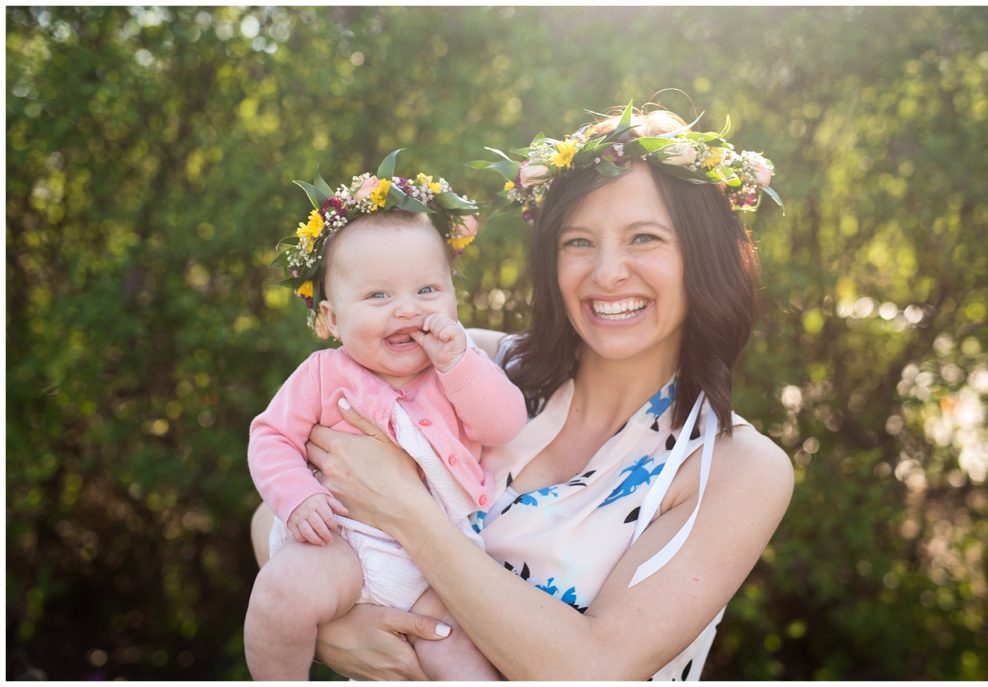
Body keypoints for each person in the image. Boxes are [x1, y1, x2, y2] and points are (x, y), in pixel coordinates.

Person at [250, 102, 794, 680]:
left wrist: (409, 513)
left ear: (703, 257)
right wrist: (336, 629)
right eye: (578, 242)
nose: (607, 272)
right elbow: (274, 515)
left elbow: (594, 669)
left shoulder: (734, 468)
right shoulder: (469, 365)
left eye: (644, 237)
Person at [244, 151, 527, 680]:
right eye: (378, 295)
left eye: (427, 290)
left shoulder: (459, 369)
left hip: (437, 568)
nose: (406, 309)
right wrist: (297, 495)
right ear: (330, 318)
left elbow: (504, 425)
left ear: (454, 297)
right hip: (340, 543)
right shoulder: (323, 374)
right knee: (281, 595)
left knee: (465, 663)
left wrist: (459, 362)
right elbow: (271, 437)